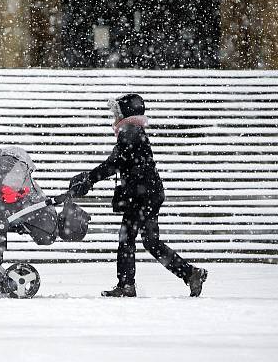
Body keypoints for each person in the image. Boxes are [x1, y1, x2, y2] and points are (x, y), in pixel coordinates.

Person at [68, 94, 209, 297]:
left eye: (116, 113)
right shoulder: (134, 132)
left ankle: (126, 285)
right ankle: (190, 273)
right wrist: (91, 178)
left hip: (141, 195)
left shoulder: (130, 132)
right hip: (149, 193)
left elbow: (114, 163)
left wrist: (90, 178)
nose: (114, 117)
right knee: (150, 242)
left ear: (126, 114)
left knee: (127, 238)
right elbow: (120, 163)